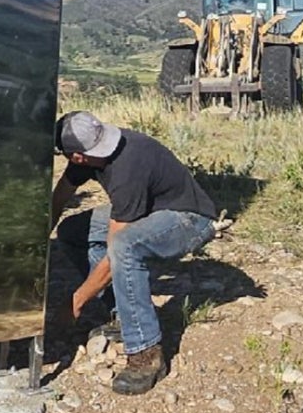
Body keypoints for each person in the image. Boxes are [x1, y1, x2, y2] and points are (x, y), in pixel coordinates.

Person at [51, 110, 218, 395]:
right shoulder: (89, 152)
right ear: (76, 157)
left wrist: (75, 303)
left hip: (189, 218)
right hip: (153, 210)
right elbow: (60, 198)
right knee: (71, 231)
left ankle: (146, 353)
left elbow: (117, 246)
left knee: (126, 247)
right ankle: (122, 315)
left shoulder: (128, 165)